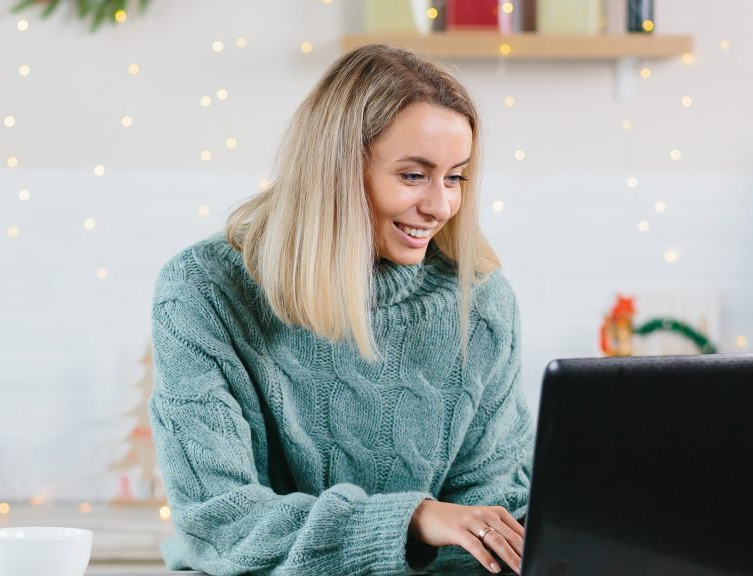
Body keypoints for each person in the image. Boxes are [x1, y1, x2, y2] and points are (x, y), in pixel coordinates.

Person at [149, 44, 533, 575]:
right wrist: (414, 519)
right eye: (413, 175)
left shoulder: (482, 302)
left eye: (455, 177)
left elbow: (491, 518)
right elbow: (221, 522)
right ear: (338, 170)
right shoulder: (205, 290)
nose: (441, 205)